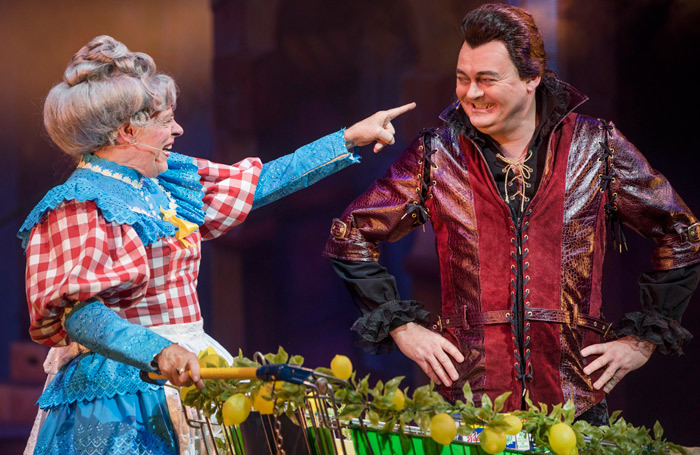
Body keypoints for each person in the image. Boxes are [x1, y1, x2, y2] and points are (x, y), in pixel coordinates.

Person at [18, 35, 415, 455]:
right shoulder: (80, 203)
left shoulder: (163, 181)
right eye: (165, 120)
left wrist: (347, 140)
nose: (178, 129)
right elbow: (80, 315)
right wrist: (157, 351)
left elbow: (256, 185)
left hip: (182, 370)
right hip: (118, 395)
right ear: (128, 131)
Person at [323, 3, 700, 425]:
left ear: (531, 78)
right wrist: (402, 328)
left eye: (486, 79)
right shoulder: (438, 153)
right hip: (470, 407)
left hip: (574, 408)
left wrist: (644, 339)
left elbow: (680, 231)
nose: (471, 93)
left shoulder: (598, 147)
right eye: (463, 79)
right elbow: (351, 233)